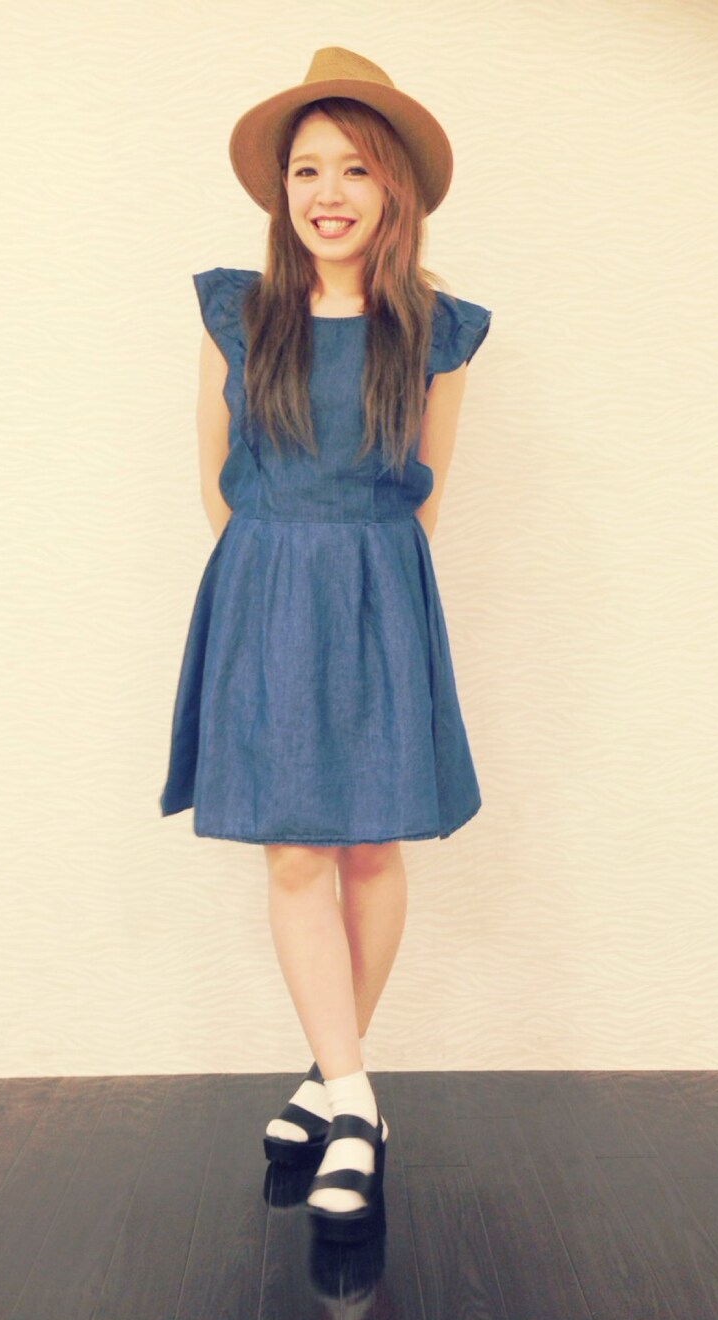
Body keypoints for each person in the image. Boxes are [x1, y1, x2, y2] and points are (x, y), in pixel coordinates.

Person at [158, 47, 491, 1241]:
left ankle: (327, 1081)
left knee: (368, 844)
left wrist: (361, 586)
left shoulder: (435, 331)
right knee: (293, 850)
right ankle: (355, 1104)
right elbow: (216, 477)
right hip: (263, 588)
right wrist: (277, 580)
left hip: (380, 590)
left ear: (394, 186)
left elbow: (426, 493)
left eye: (355, 167)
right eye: (307, 169)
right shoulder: (238, 314)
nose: (328, 191)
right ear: (280, 189)